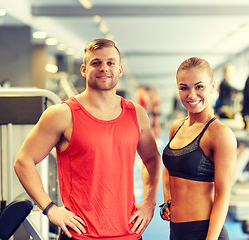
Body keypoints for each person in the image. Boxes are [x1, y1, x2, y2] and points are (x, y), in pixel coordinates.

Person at [14, 39, 161, 240]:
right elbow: (23, 161)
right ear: (84, 69)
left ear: (120, 70)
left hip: (129, 233)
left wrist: (150, 203)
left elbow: (152, 158)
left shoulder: (136, 114)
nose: (104, 68)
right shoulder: (62, 114)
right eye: (96, 63)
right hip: (81, 235)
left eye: (110, 63)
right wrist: (50, 209)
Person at [160, 57, 237, 240]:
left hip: (204, 232)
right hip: (176, 231)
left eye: (199, 86)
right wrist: (166, 199)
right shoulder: (177, 127)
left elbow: (222, 194)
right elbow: (168, 168)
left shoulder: (219, 134)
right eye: (184, 88)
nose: (191, 95)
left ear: (212, 87)